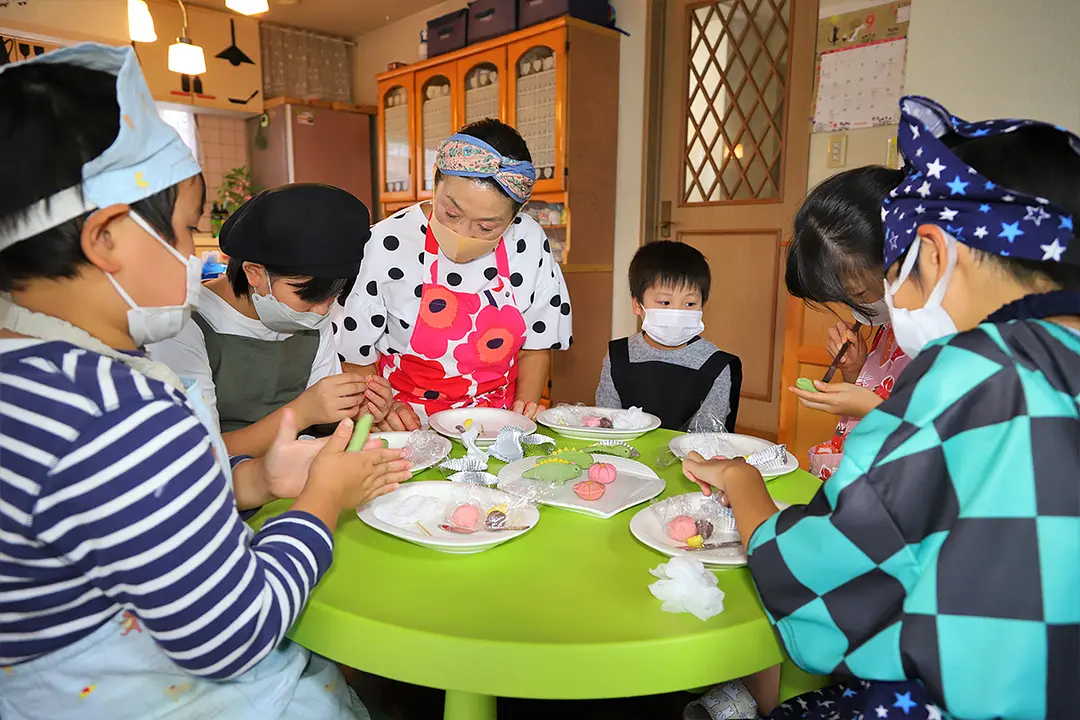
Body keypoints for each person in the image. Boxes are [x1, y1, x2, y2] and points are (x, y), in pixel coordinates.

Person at [0, 44, 411, 719]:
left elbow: (112, 513)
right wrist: (321, 502)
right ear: (105, 237)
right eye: (186, 230)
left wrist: (253, 480)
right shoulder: (119, 408)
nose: (196, 256)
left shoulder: (38, 377)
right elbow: (233, 632)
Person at [682, 96, 1079, 720]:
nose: (894, 308)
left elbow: (825, 574)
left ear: (935, 253)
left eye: (898, 281)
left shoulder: (977, 371)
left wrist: (742, 482)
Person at [333, 119, 572, 430]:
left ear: (516, 215)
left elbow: (537, 344)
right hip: (410, 425)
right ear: (436, 184)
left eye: (487, 227)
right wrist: (382, 408)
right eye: (451, 213)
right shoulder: (385, 244)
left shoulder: (527, 242)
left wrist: (520, 416)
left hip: (495, 426)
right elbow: (354, 354)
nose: (463, 233)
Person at [150, 184, 393, 457]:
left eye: (333, 296)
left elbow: (320, 418)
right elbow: (200, 453)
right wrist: (300, 413)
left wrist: (354, 410)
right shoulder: (185, 325)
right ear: (254, 273)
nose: (322, 312)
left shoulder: (310, 318)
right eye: (307, 296)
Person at [784, 167, 911, 479]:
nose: (856, 308)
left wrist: (869, 407)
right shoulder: (891, 325)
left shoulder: (935, 338)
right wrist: (854, 370)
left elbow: (935, 443)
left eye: (856, 293)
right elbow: (878, 390)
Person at [595, 241, 741, 432]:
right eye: (665, 302)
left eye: (689, 304)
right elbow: (605, 424)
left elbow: (708, 440)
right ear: (638, 305)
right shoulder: (619, 356)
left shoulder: (716, 366)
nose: (678, 312)